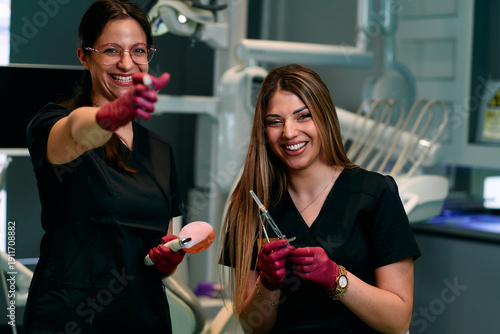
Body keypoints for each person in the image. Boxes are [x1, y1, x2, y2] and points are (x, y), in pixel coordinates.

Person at [23, 1, 186, 332]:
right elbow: (77, 131)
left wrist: (168, 260)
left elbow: (159, 243)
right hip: (70, 318)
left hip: (144, 317)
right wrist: (109, 116)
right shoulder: (53, 122)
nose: (127, 63)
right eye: (112, 50)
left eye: (138, 50)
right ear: (85, 56)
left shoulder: (159, 149)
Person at [220, 64, 421, 333]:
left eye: (303, 116)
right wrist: (267, 284)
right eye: (275, 121)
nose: (289, 132)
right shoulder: (250, 208)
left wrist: (336, 277)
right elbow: (254, 328)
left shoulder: (374, 194)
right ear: (264, 131)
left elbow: (397, 321)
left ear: (324, 118)